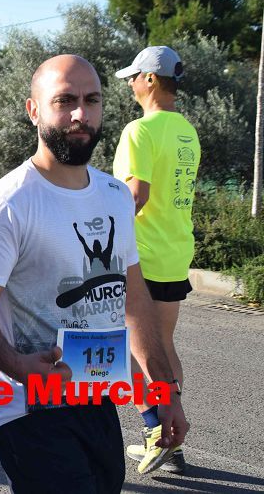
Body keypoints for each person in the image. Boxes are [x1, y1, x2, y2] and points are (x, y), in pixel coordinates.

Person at [0, 55, 188, 493]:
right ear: (33, 110)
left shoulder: (116, 196)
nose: (81, 114)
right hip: (28, 410)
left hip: (97, 400)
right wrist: (20, 367)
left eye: (91, 100)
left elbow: (133, 300)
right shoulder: (6, 206)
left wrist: (163, 392)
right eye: (65, 101)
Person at [113, 46, 200, 475]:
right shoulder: (187, 131)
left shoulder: (139, 130)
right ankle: (174, 437)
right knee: (164, 346)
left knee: (132, 351)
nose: (130, 83)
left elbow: (136, 195)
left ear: (150, 79)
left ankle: (154, 429)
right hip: (175, 250)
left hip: (140, 257)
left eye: (134, 76)